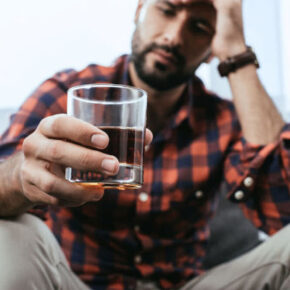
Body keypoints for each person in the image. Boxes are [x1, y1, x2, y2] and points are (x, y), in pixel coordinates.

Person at [0, 0, 289, 289]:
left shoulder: (224, 119)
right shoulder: (69, 96)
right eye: (167, 10)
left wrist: (236, 52)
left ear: (212, 49)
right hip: (75, 283)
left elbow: (283, 214)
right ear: (139, 10)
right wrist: (19, 178)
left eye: (199, 27)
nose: (173, 37)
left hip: (187, 286)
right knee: (12, 228)